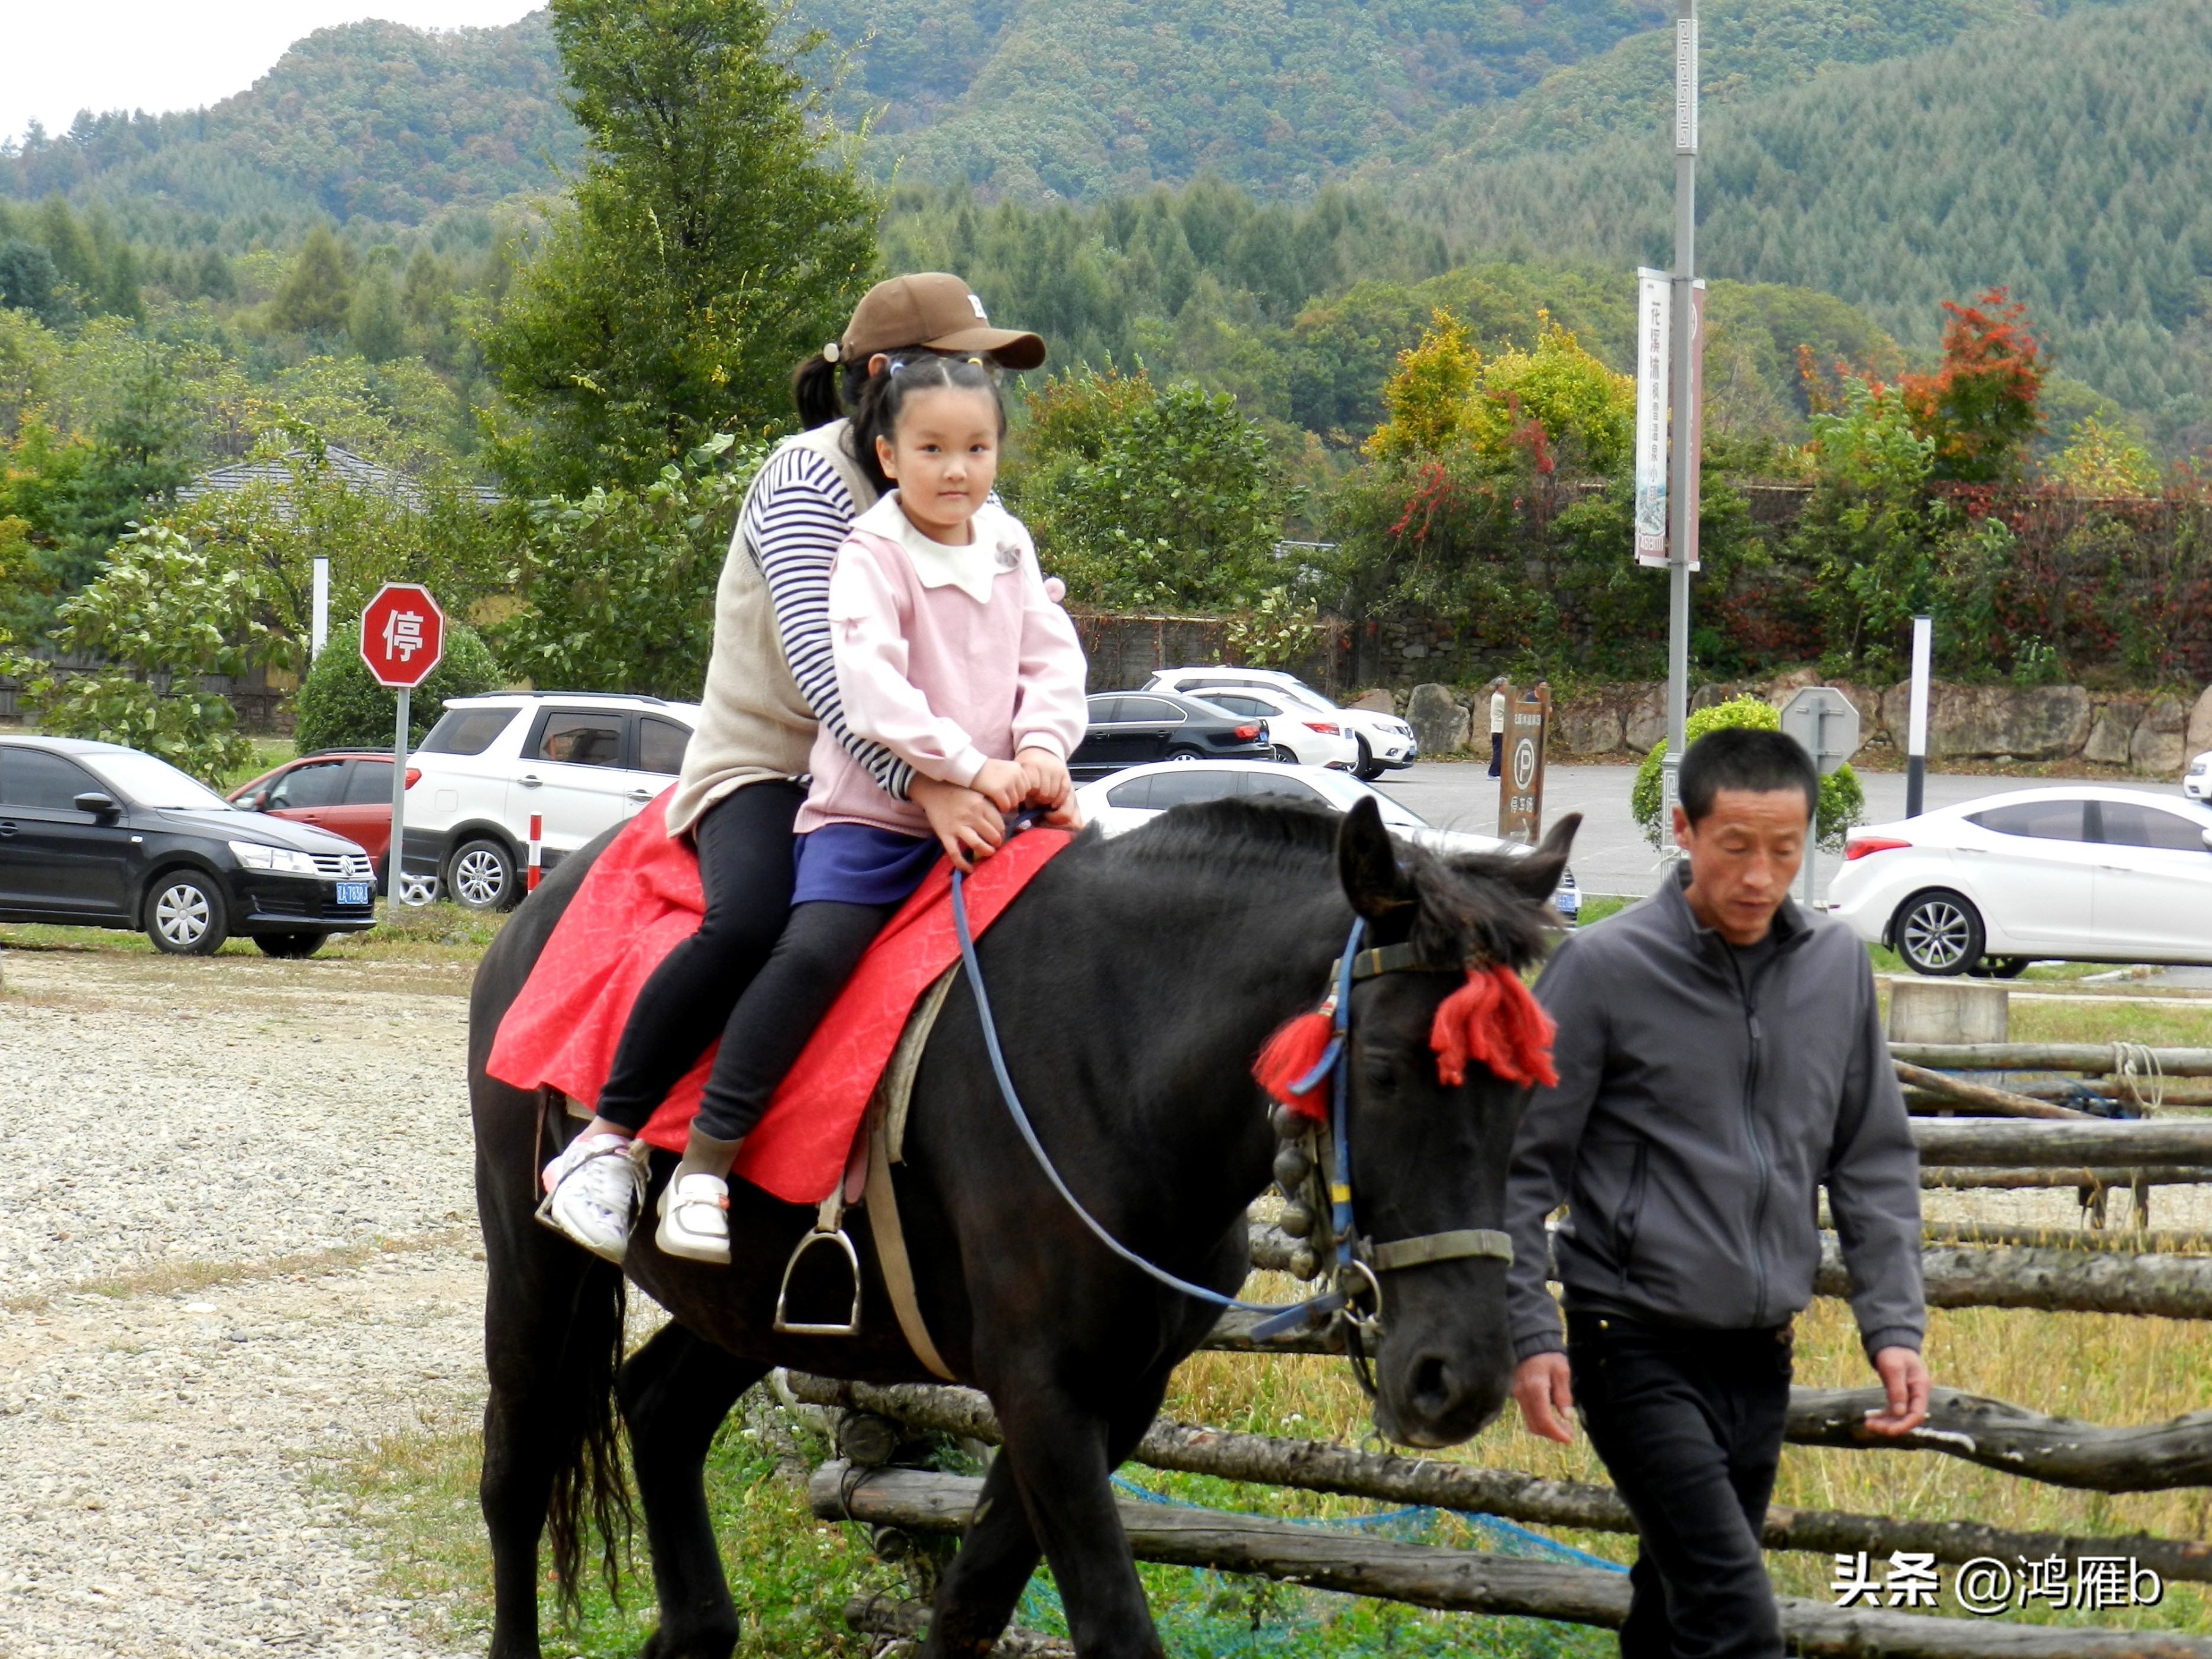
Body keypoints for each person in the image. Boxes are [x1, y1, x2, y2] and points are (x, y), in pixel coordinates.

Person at [538, 274, 1048, 1260]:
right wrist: (929, 785)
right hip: (775, 764)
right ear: (881, 382)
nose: (975, 386)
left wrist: (1029, 755)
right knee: (753, 919)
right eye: (960, 362)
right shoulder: (807, 479)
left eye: (979, 377)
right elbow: (829, 674)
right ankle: (609, 1136)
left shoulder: (951, 483)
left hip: (927, 765)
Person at [652, 351, 1089, 1260]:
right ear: (887, 454)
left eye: (976, 448)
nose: (957, 469)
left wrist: (1043, 749)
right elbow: (868, 687)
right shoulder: (870, 550)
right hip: (875, 813)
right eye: (932, 448)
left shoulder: (1007, 544)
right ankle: (704, 1162)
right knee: (811, 953)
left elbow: (1049, 658)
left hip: (997, 803)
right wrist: (965, 766)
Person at [1504, 727, 1930, 1658]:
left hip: (1759, 1354)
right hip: (1631, 1344)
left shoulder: (1834, 967)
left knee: (1675, 1610)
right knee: (1736, 1622)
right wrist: (1531, 1332)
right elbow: (1516, 1170)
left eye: (1783, 851)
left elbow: (1868, 1159)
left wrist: (1892, 1324)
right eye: (1734, 847)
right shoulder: (1601, 970)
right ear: (1682, 831)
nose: (1758, 876)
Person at [1487, 678, 1507, 777]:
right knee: (1498, 752)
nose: (1507, 688)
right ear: (1500, 687)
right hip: (1499, 728)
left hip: (1499, 728)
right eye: (1505, 686)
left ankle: (1498, 772)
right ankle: (1493, 772)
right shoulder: (1499, 699)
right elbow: (1511, 709)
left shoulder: (1499, 697)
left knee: (1501, 751)